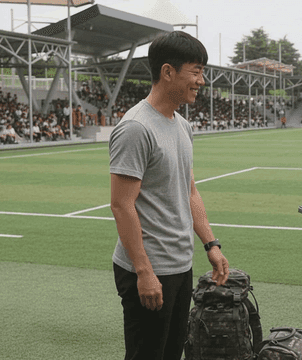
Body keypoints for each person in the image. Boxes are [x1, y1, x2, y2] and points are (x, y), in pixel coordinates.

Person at [109, 31, 229, 360]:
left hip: (179, 264)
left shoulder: (181, 124)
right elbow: (121, 205)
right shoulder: (136, 128)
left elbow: (188, 189)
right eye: (196, 71)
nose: (201, 81)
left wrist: (211, 244)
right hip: (147, 269)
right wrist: (144, 272)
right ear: (167, 72)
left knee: (172, 353)